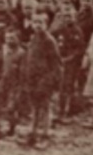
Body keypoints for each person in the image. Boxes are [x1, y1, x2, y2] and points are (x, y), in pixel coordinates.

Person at [20, 11, 62, 147]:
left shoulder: (49, 41)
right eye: (35, 22)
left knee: (44, 106)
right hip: (32, 78)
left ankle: (45, 134)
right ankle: (32, 132)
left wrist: (49, 81)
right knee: (34, 106)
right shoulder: (34, 38)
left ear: (46, 24)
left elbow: (55, 64)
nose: (37, 25)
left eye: (40, 23)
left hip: (44, 79)